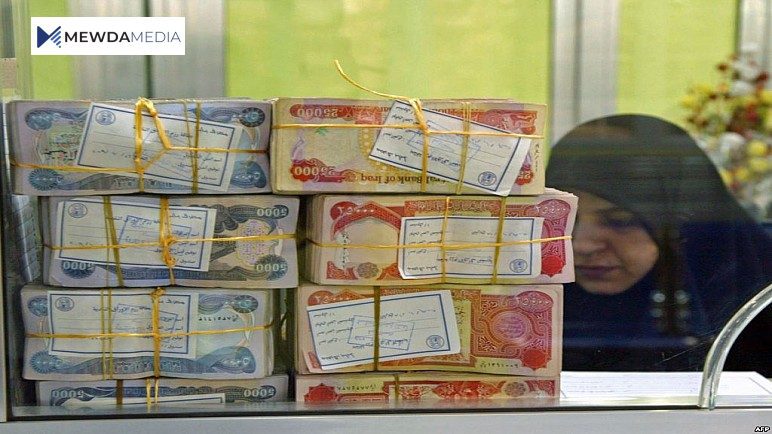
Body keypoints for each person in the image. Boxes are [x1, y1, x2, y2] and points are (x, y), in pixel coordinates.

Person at [546, 114, 771, 373]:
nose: (581, 245)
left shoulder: (750, 308)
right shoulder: (529, 307)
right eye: (564, 220)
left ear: (683, 224)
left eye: (620, 221)